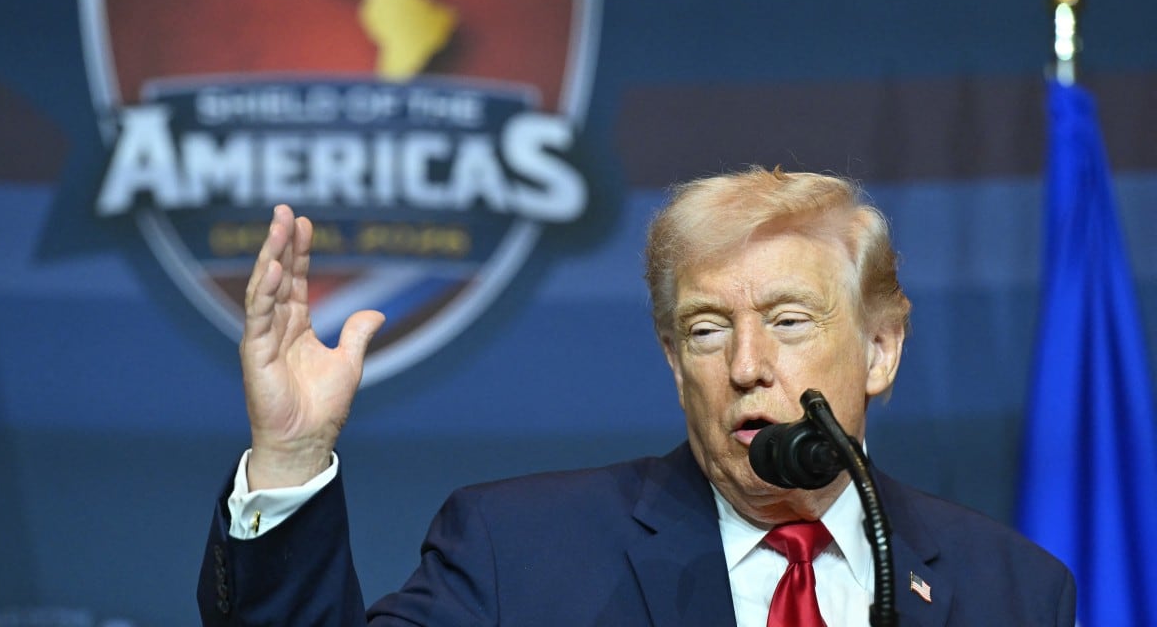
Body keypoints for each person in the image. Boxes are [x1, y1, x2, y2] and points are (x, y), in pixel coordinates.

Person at [198, 167, 1075, 625]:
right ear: (671, 357)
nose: (746, 365)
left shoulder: (1013, 592)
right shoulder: (521, 556)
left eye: (790, 320)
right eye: (705, 330)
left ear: (880, 349)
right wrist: (292, 455)